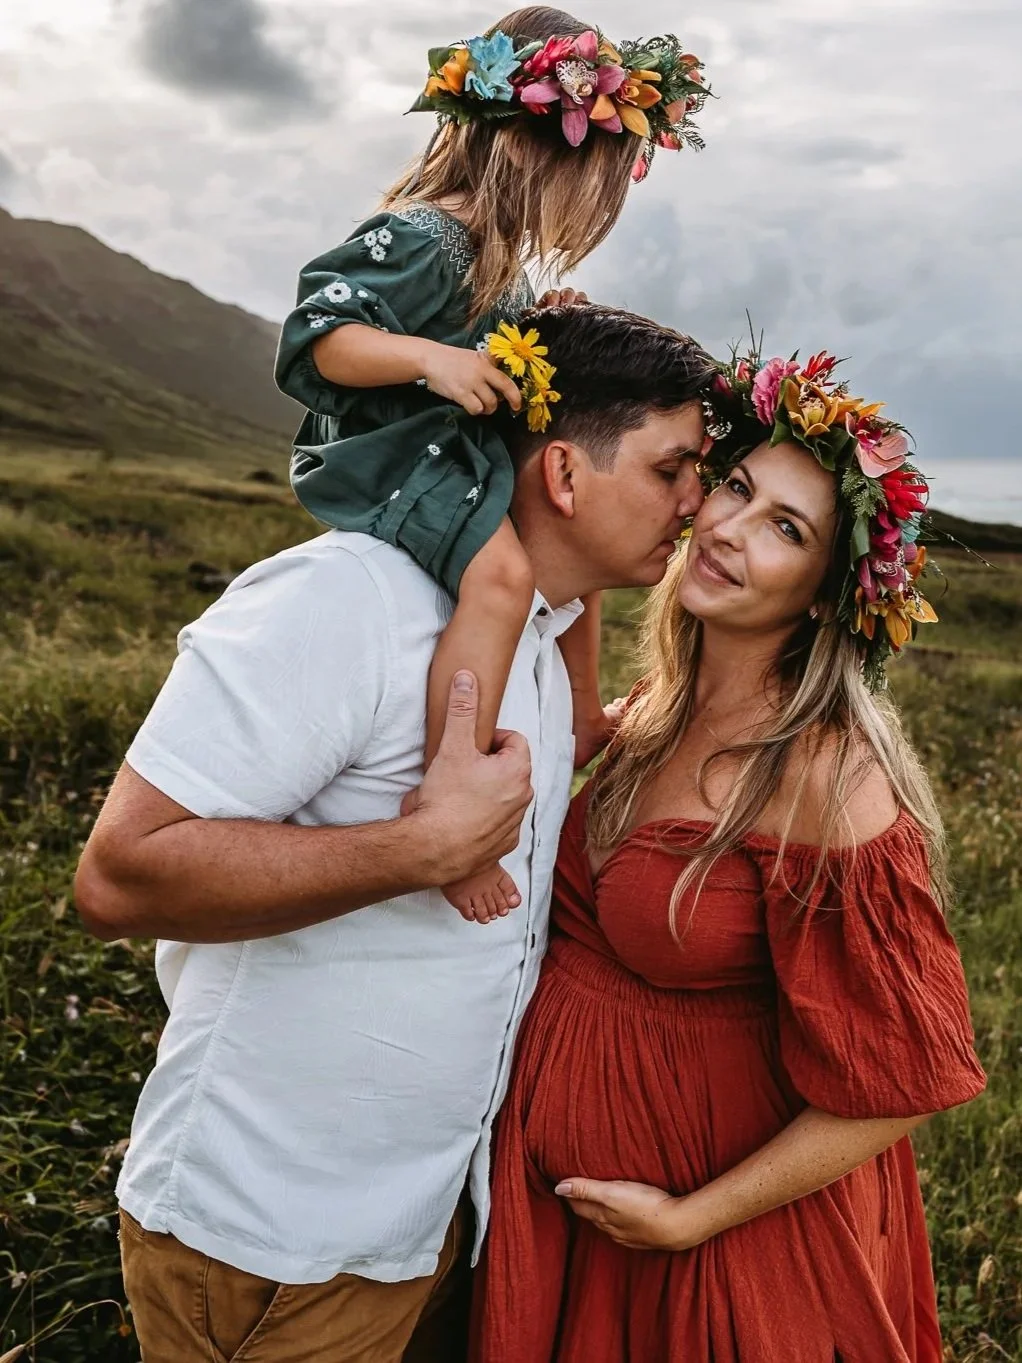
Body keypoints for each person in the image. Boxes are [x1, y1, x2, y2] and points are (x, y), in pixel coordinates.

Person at [73, 303, 717, 1363]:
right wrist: (416, 852)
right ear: (562, 474)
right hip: (272, 1240)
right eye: (669, 470)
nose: (693, 504)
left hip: (427, 1231)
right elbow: (119, 876)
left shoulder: (547, 642)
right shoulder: (350, 599)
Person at [471, 344, 987, 1362]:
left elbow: (901, 1082)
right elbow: (565, 568)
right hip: (567, 1216)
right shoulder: (655, 711)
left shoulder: (820, 773)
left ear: (824, 594)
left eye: (784, 527)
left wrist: (689, 1219)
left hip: (709, 1245)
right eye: (735, 488)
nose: (729, 529)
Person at [274, 6, 709, 921]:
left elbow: (495, 342)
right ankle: (452, 805)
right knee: (506, 575)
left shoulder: (496, 260)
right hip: (396, 454)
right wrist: (429, 359)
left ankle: (583, 712)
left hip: (454, 450)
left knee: (575, 549)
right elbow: (320, 338)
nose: (581, 209)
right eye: (580, 181)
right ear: (520, 147)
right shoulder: (431, 232)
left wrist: (540, 321)